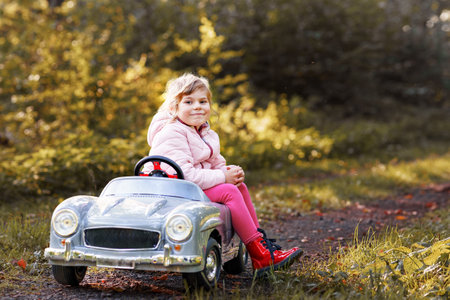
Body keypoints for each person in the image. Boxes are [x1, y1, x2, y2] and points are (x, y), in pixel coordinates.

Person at [145, 73, 302, 277]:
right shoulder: (172, 132)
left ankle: (261, 246)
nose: (198, 106)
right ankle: (260, 255)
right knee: (228, 191)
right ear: (174, 107)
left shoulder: (204, 132)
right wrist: (222, 178)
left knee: (238, 186)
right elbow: (187, 176)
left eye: (203, 101)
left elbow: (215, 163)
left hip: (191, 189)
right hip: (175, 192)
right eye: (189, 102)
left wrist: (230, 172)